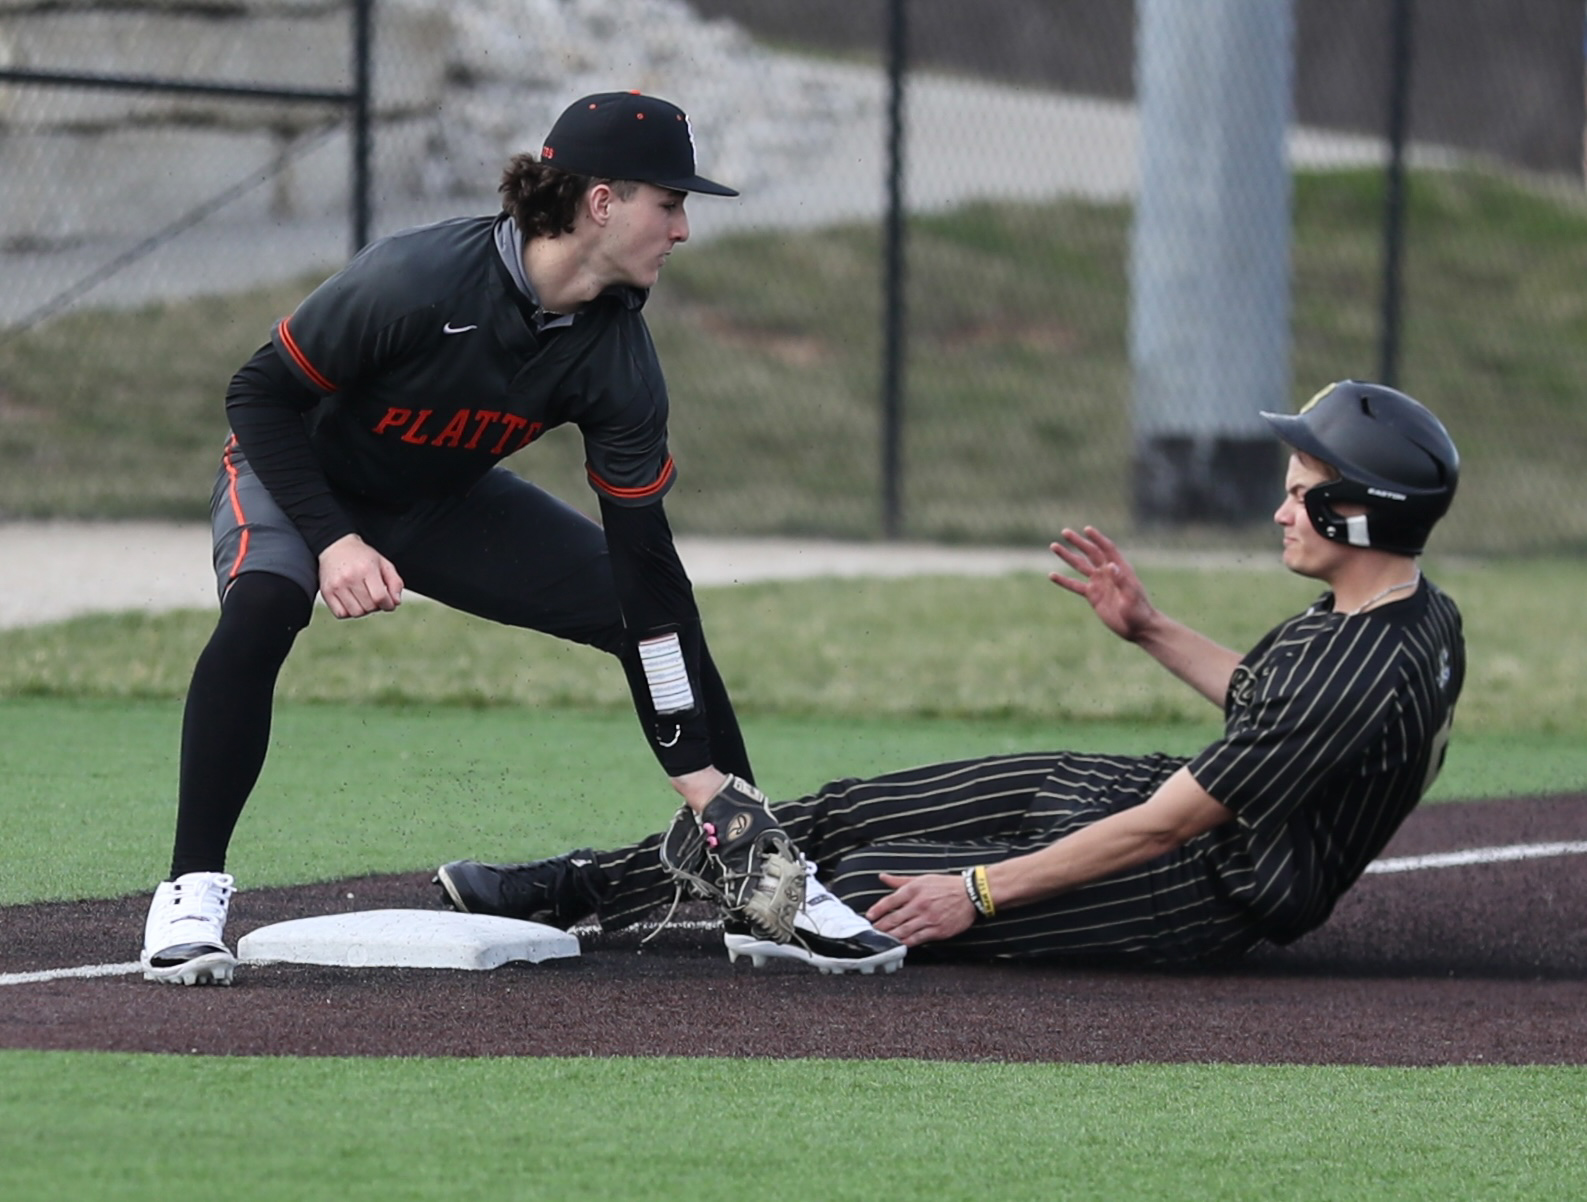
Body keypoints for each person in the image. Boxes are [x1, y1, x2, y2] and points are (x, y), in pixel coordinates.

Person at [434, 380, 1464, 971]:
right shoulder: (1404, 610)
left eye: (1303, 494)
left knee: (856, 893)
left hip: (1190, 884)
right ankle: (574, 886)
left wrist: (977, 892)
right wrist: (1150, 628)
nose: (1282, 511)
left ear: (1359, 513)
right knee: (836, 811)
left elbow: (1169, 827)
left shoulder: (1356, 671)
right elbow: (1273, 709)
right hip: (1160, 800)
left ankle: (675, 914)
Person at [140, 92, 809, 986]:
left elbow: (644, 566)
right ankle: (189, 893)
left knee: (649, 606)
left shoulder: (615, 348)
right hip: (298, 475)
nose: (682, 229)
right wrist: (333, 541)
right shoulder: (418, 277)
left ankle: (756, 876)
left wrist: (698, 777)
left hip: (437, 499)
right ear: (601, 202)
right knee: (265, 603)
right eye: (670, 202)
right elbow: (259, 395)